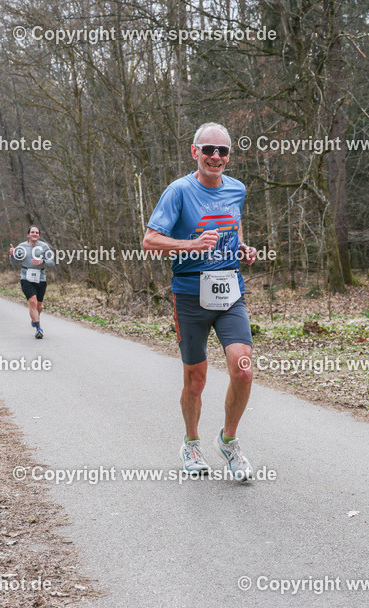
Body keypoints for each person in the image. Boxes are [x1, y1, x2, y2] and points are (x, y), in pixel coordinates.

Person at [141, 122, 258, 482]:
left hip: (229, 292)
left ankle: (229, 441)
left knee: (243, 368)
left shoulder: (236, 189)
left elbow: (232, 226)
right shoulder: (178, 191)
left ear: (229, 156)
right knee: (196, 379)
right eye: (208, 150)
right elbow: (150, 240)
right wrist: (189, 245)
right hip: (190, 294)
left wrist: (240, 246)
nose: (216, 157)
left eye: (222, 151)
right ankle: (191, 442)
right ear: (195, 152)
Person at [9, 226, 55, 339]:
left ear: (39, 235)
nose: (34, 234)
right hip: (26, 277)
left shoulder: (44, 246)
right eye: (32, 232)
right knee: (33, 302)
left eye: (37, 232)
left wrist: (42, 260)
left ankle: (36, 317)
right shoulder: (22, 246)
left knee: (39, 305)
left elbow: (52, 262)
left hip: (41, 277)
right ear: (28, 235)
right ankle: (38, 328)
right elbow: (13, 263)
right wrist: (12, 254)